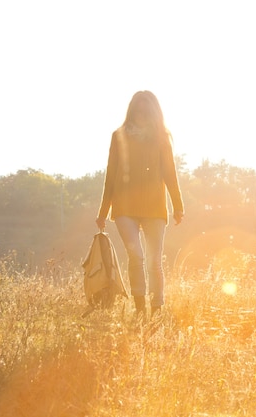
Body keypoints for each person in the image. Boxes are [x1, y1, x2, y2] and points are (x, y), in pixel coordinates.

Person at [96, 90, 184, 320]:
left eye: (147, 109)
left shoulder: (161, 138)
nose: (142, 113)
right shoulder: (119, 136)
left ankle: (156, 308)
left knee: (155, 260)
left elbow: (170, 173)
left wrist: (178, 205)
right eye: (138, 108)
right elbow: (111, 174)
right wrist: (103, 211)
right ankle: (139, 308)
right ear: (132, 110)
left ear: (154, 112)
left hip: (155, 205)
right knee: (136, 256)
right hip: (124, 206)